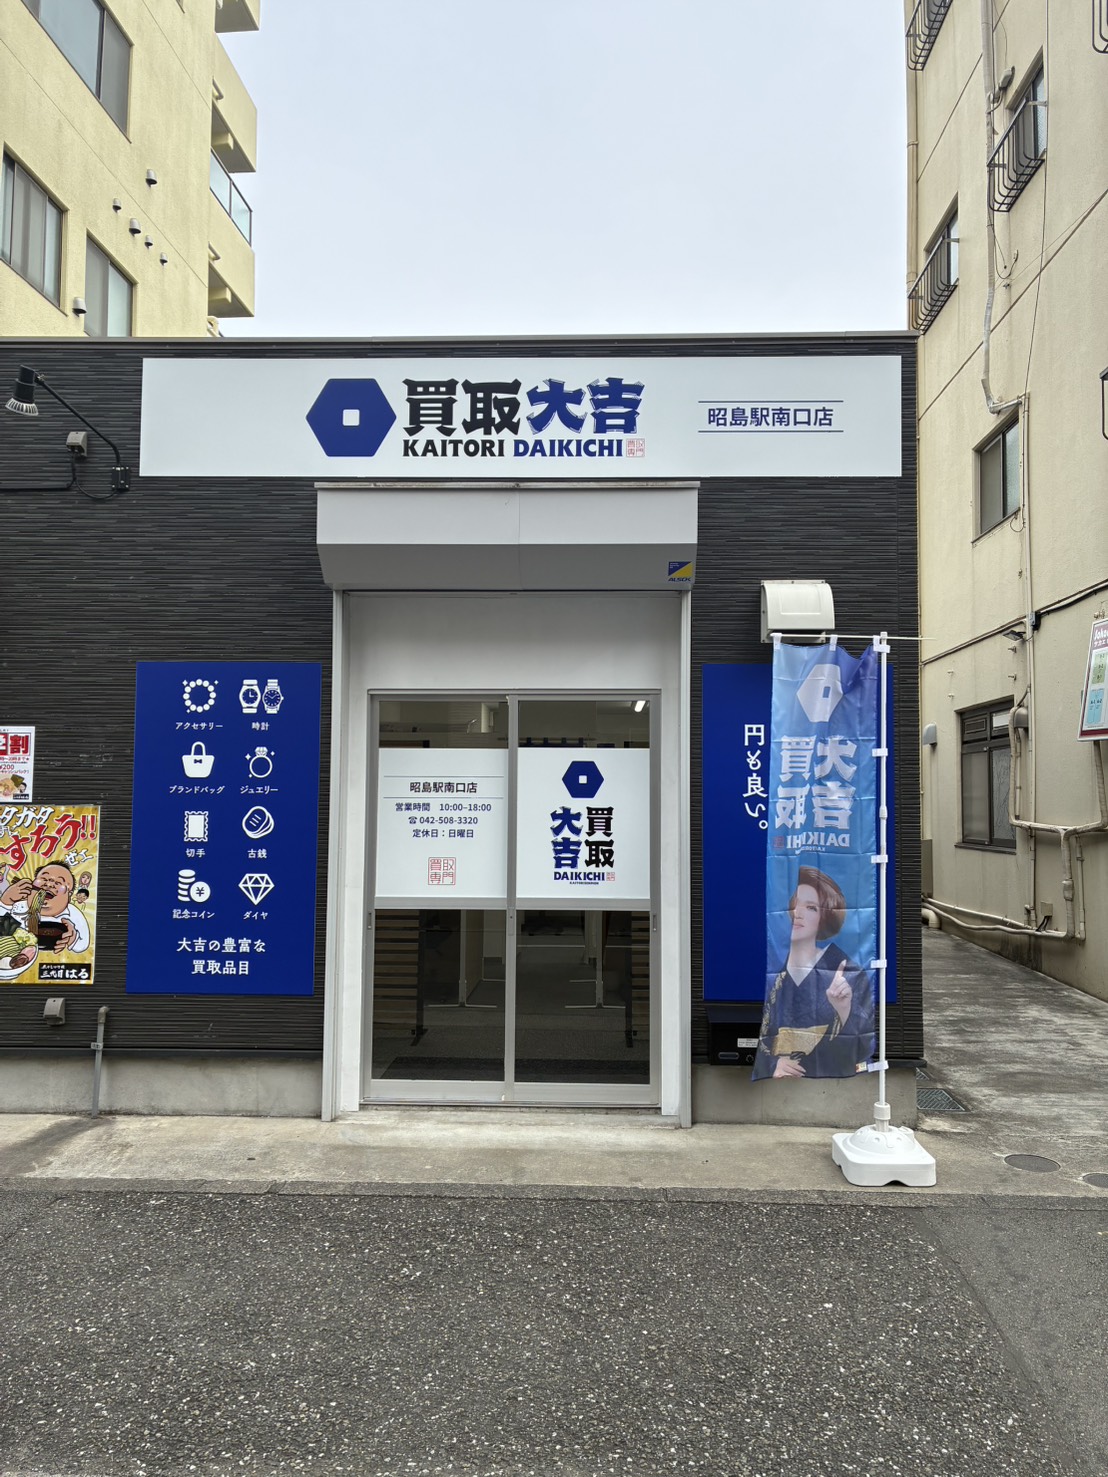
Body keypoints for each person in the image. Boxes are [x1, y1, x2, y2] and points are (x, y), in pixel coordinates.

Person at [752, 865, 874, 1081]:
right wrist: (773, 1063)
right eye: (795, 904)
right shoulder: (773, 967)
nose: (798, 914)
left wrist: (844, 1009)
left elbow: (862, 1047)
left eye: (811, 908)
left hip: (832, 1088)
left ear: (824, 917)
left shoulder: (846, 970)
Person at [0, 862, 91, 956]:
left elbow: (83, 945)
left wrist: (73, 939)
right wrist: (4, 902)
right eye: (44, 878)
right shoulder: (18, 907)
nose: (49, 884)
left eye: (59, 882)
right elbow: (2, 933)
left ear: (69, 895)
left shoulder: (72, 913)